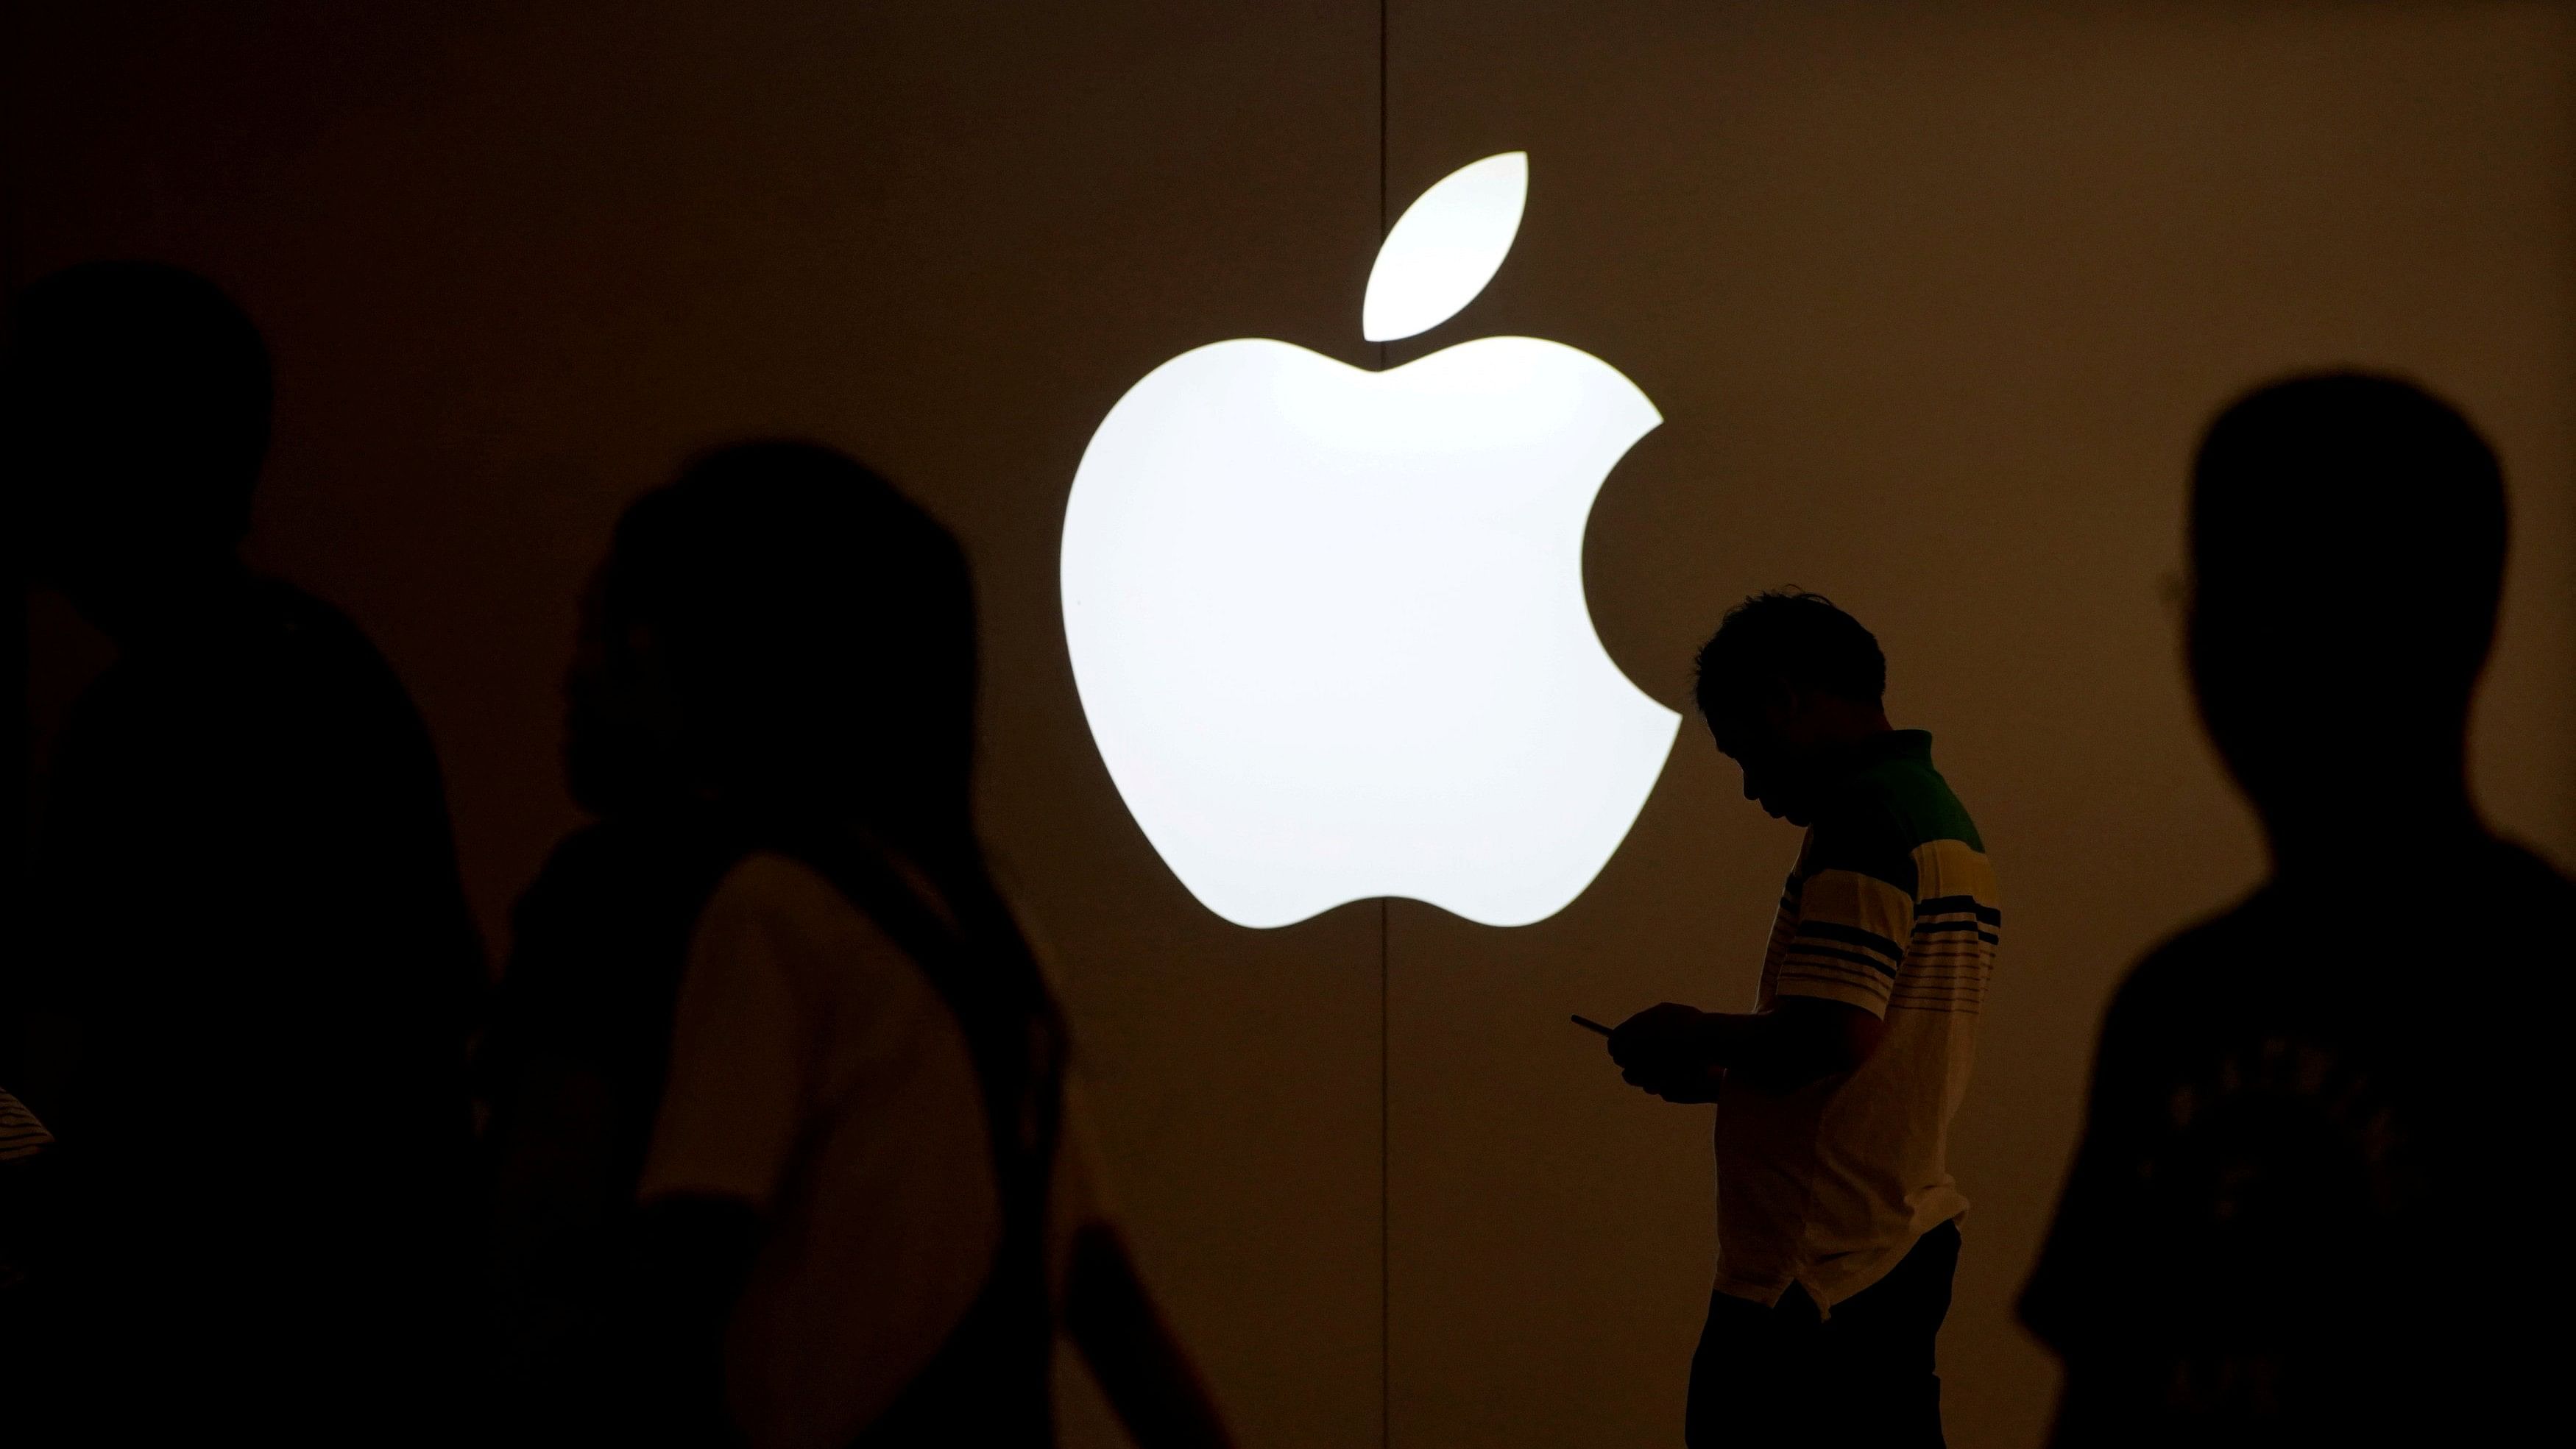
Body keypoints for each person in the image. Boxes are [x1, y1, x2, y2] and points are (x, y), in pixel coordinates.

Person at [480, 440, 1232, 1448]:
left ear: (727, 656)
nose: (577, 671)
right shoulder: (970, 915)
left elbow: (634, 1256)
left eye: (621, 629)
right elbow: (1101, 1291)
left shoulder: (692, 904)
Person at [2018, 373, 2572, 1445]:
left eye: (2298, 602)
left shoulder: (2544, 995)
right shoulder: (2174, 1005)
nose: (2239, 651)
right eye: (2222, 601)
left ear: (2445, 627)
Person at [1, 261, 483, 1439]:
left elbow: (56, 1060)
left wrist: (19, 1189)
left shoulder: (153, 720)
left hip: (201, 1342)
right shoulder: (325, 664)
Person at [1604, 590, 2000, 1448]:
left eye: (1744, 749)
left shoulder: (1864, 819)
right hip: (1884, 1253)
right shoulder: (1937, 817)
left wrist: (1688, 1028)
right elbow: (1877, 1064)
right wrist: (1727, 1083)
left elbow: (1832, 1034)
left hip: (1813, 1285)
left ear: (1786, 698)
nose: (1750, 788)